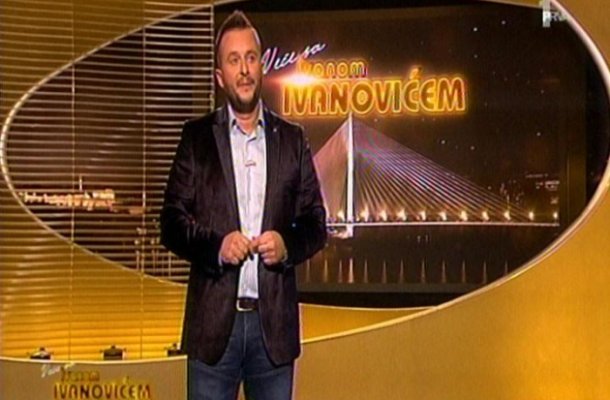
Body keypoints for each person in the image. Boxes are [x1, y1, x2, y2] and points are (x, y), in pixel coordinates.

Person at [160, 10, 327, 400]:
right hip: (213, 331)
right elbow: (170, 222)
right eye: (234, 60)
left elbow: (316, 223)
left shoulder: (293, 139)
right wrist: (216, 247)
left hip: (273, 335)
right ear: (220, 76)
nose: (244, 69)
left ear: (262, 65)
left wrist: (286, 244)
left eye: (251, 58)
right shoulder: (196, 139)